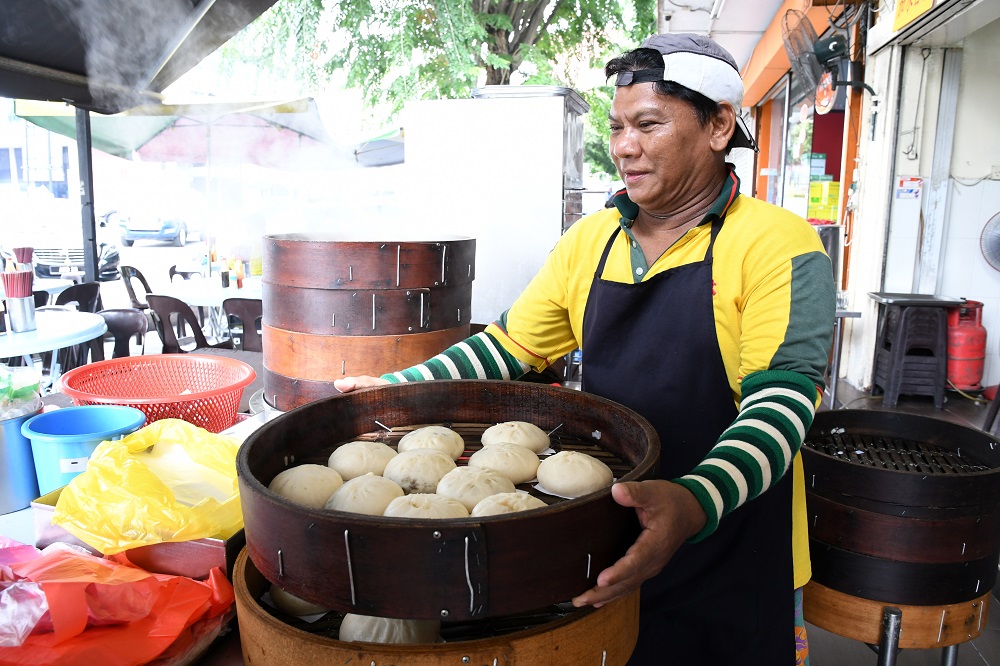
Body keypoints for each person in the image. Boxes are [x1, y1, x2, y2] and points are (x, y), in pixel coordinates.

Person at [335, 33, 835, 665]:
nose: (624, 146)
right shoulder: (592, 239)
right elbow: (510, 347)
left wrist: (694, 501)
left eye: (648, 124)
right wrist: (408, 389)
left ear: (718, 125)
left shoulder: (776, 245)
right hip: (608, 533)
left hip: (734, 544)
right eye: (618, 125)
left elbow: (782, 404)